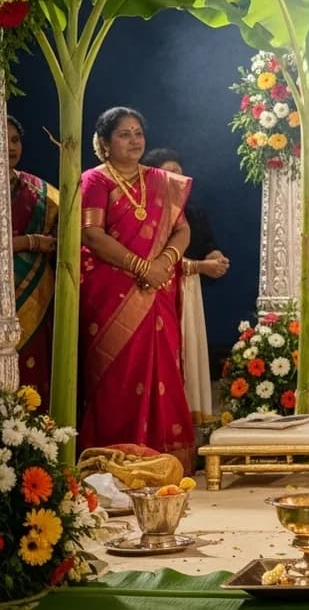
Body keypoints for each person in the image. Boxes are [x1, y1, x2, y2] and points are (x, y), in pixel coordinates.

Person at [79, 107, 196, 473]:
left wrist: (164, 262)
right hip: (111, 293)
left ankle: (164, 460)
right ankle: (113, 461)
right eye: (124, 134)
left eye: (138, 133)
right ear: (104, 143)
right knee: (118, 377)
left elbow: (182, 228)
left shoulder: (161, 181)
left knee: (162, 371)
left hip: (157, 289)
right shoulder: (95, 181)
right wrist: (142, 266)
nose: (134, 140)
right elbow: (91, 235)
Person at [142, 148, 230, 426]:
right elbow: (153, 261)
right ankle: (164, 422)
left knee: (190, 351)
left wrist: (215, 257)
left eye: (180, 173)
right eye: (169, 174)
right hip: (156, 290)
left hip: (190, 293)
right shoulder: (146, 215)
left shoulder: (193, 212)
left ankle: (192, 425)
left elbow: (207, 245)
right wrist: (199, 267)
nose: (177, 179)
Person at [8, 116, 58, 408]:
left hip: (36, 302)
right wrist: (31, 242)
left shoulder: (41, 191)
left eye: (15, 140)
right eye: (4, 140)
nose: (11, 147)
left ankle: (38, 447)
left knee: (34, 376)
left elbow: (70, 235)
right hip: (7, 297)